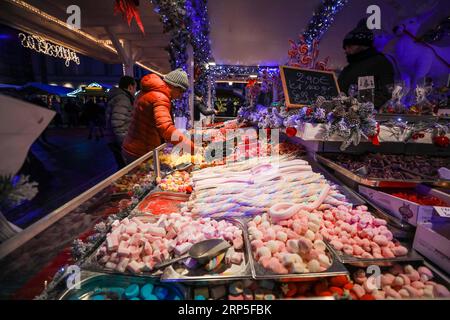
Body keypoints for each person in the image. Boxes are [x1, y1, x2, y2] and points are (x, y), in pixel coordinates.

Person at [122, 68, 195, 163]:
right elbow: (166, 128)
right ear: (174, 86)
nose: (180, 96)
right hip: (140, 151)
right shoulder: (160, 97)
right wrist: (190, 147)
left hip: (133, 147)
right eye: (181, 91)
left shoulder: (149, 91)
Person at [338, 19, 394, 109]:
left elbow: (386, 93)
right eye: (345, 47)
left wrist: (361, 108)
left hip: (369, 118)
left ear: (363, 45)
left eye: (349, 46)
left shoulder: (381, 63)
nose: (346, 50)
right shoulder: (348, 68)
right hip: (346, 116)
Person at [106, 76, 137, 169]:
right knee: (125, 169)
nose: (135, 91)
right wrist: (125, 143)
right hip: (120, 142)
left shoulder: (120, 97)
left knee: (123, 167)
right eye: (135, 88)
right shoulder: (123, 99)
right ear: (130, 87)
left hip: (115, 140)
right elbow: (117, 123)